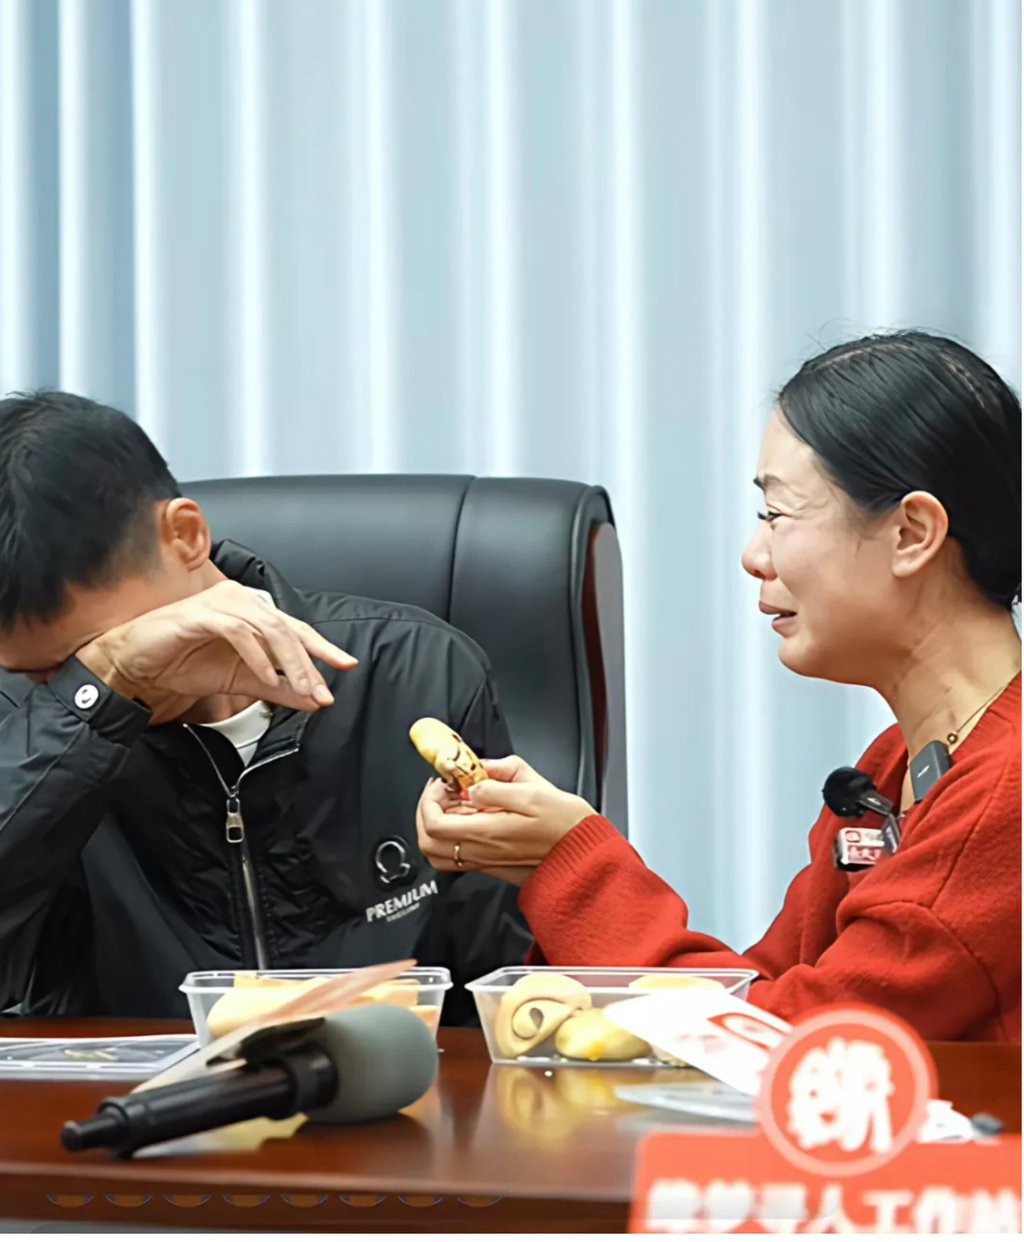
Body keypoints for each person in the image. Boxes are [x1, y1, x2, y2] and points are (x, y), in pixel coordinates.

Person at [418, 330, 1022, 1042]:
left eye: (777, 514)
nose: (753, 555)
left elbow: (786, 1046)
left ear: (912, 533)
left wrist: (568, 861)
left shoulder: (1003, 792)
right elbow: (761, 993)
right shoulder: (889, 772)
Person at [0, 391, 529, 1022]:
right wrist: (96, 698)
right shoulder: (28, 720)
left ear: (186, 536)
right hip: (126, 1108)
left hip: (401, 1099)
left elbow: (507, 987)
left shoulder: (417, 670)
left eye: (93, 650)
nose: (64, 681)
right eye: (48, 675)